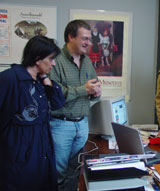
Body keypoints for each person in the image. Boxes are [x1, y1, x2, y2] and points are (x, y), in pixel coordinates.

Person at [0, 35, 65, 191]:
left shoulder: (40, 79)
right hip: (18, 148)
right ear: (37, 59)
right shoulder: (10, 78)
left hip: (41, 145)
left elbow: (58, 103)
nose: (54, 64)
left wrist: (46, 80)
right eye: (51, 59)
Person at [49, 20, 102, 191]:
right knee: (58, 173)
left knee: (75, 172)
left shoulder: (87, 61)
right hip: (60, 125)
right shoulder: (54, 60)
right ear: (70, 37)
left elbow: (92, 88)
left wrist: (95, 93)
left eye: (90, 39)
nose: (88, 43)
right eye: (84, 38)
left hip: (82, 124)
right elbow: (54, 95)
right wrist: (83, 89)